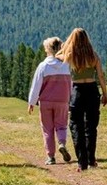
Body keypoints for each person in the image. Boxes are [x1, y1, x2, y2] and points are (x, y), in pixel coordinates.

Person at [59, 28, 107, 172]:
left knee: (76, 126)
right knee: (91, 126)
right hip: (92, 90)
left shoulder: (70, 55)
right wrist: (105, 94)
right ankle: (91, 159)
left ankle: (82, 162)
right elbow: (101, 76)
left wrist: (67, 44)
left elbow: (57, 55)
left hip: (77, 91)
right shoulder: (93, 55)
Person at [27, 36, 73, 165]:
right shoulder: (65, 66)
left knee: (47, 129)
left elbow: (36, 85)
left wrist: (31, 102)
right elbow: (70, 84)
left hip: (46, 101)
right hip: (62, 101)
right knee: (61, 125)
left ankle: (51, 156)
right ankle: (62, 143)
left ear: (48, 49)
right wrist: (70, 99)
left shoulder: (43, 66)